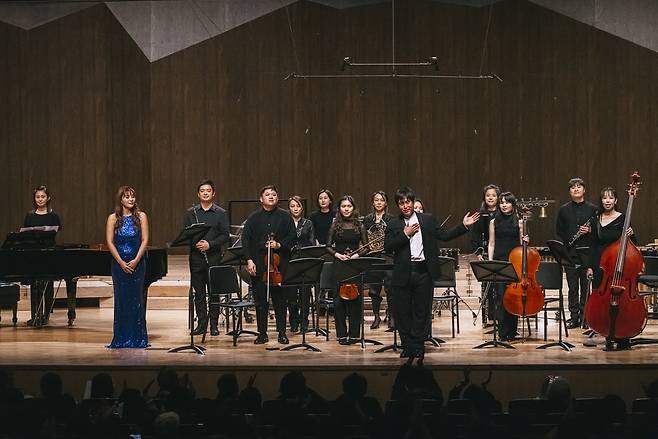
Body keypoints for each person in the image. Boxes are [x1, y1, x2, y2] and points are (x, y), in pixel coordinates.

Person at [385, 187, 479, 360]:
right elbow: (388, 247)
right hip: (403, 273)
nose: (405, 206)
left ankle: (418, 345)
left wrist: (463, 226)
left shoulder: (427, 220)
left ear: (413, 202)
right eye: (401, 203)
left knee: (422, 311)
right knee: (403, 312)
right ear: (398, 205)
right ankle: (407, 345)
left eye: (408, 202)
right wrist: (405, 235)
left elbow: (444, 235)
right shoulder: (393, 223)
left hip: (423, 272)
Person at [243, 185, 296, 344]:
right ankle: (262, 333)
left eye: (274, 194)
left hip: (279, 266)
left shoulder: (285, 217)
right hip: (259, 264)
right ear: (261, 199)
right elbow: (246, 240)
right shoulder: (253, 218)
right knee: (261, 302)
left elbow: (292, 238)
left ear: (277, 198)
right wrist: (249, 260)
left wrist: (279, 245)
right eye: (267, 195)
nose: (271, 197)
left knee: (280, 301)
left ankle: (282, 333)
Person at [586, 187, 636, 350]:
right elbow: (592, 245)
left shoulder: (623, 219)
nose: (607, 201)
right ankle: (607, 331)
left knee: (620, 300)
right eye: (604, 198)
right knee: (603, 300)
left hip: (618, 264)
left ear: (616, 201)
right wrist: (590, 267)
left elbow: (632, 244)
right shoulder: (595, 219)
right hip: (601, 265)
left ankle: (622, 331)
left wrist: (632, 234)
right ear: (601, 201)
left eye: (610, 198)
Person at [183, 180, 229, 336]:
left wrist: (210, 244)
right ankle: (202, 324)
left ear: (213, 193)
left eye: (208, 190)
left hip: (214, 258)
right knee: (200, 293)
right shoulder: (191, 213)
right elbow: (185, 235)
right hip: (196, 259)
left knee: (214, 292)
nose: (205, 193)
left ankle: (214, 325)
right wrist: (195, 242)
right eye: (202, 190)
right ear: (198, 194)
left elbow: (225, 236)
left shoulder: (220, 213)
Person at [106, 186, 149, 348]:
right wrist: (121, 263)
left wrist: (136, 260)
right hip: (118, 265)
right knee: (121, 300)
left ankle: (138, 338)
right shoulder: (113, 218)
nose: (130, 199)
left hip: (137, 264)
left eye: (132, 197)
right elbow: (109, 242)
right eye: (127, 197)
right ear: (121, 200)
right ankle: (121, 338)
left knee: (136, 300)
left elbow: (145, 240)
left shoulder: (141, 216)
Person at [556, 177, 598, 328]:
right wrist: (568, 241)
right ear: (569, 191)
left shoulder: (593, 209)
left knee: (586, 287)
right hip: (570, 253)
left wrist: (590, 230)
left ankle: (585, 317)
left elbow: (600, 230)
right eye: (573, 187)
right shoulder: (563, 210)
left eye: (579, 186)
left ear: (584, 190)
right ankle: (574, 317)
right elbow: (559, 231)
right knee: (572, 287)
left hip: (587, 254)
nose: (576, 189)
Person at [326, 195, 369, 345]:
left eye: (349, 206)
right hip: (339, 266)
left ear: (353, 208)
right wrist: (338, 255)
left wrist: (356, 255)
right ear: (339, 208)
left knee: (355, 302)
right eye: (343, 206)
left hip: (354, 266)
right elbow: (328, 246)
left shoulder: (360, 225)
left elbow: (366, 247)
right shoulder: (335, 225)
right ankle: (342, 335)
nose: (346, 209)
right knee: (339, 303)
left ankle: (354, 335)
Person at [487, 192, 527, 342]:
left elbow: (521, 243)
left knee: (513, 297)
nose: (504, 205)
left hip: (514, 263)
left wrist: (526, 240)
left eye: (507, 202)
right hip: (499, 262)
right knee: (500, 298)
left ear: (512, 204)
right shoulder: (493, 222)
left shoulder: (519, 221)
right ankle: (503, 332)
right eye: (502, 202)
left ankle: (512, 330)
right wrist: (490, 262)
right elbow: (492, 243)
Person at [23, 185, 61, 326]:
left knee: (47, 284)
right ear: (35, 198)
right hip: (33, 254)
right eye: (37, 197)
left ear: (48, 198)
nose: (40, 199)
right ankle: (35, 315)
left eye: (43, 196)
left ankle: (45, 315)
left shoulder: (53, 215)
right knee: (34, 284)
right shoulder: (30, 215)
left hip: (48, 254)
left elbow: (55, 232)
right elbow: (25, 233)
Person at [363, 191, 394, 329]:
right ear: (373, 202)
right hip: (373, 257)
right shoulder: (368, 219)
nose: (379, 202)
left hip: (387, 257)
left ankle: (392, 316)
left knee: (390, 287)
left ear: (386, 203)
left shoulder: (391, 219)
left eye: (382, 200)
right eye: (376, 200)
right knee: (374, 289)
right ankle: (376, 317)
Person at [470, 184, 501, 325]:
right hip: (485, 253)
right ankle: (488, 317)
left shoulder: (503, 213)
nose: (491, 197)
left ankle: (500, 315)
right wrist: (478, 252)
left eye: (493, 195)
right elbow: (474, 235)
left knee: (500, 287)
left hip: (500, 252)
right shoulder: (480, 214)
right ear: (484, 197)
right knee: (487, 288)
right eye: (488, 195)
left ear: (498, 197)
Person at [287, 195, 315, 333]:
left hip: (305, 261)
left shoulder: (308, 223)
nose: (295, 208)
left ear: (302, 207)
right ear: (289, 208)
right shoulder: (285, 222)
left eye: (298, 206)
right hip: (290, 262)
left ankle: (304, 321)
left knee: (305, 295)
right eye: (292, 206)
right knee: (291, 296)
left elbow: (311, 242)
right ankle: (293, 321)